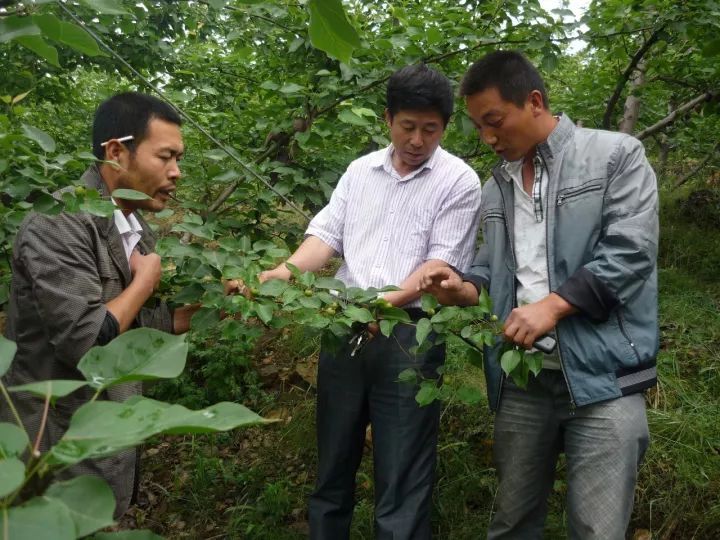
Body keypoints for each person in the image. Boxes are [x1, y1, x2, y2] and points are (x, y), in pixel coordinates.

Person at [419, 51, 658, 539]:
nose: (487, 138)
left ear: (533, 102)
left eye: (495, 121)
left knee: (597, 529)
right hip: (523, 381)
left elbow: (630, 253)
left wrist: (551, 306)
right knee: (511, 523)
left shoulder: (615, 155)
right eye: (478, 127)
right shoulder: (497, 186)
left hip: (604, 378)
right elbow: (491, 264)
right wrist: (463, 288)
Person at [260, 64, 482, 539]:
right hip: (344, 328)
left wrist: (382, 307)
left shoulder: (460, 181)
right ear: (387, 119)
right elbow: (325, 235)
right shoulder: (361, 171)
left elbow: (437, 269)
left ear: (444, 126)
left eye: (430, 129)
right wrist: (284, 274)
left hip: (409, 337)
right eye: (408, 127)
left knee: (402, 472)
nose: (418, 140)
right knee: (333, 460)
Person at [1, 92, 236, 517]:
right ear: (116, 152)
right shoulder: (57, 222)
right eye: (165, 156)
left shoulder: (133, 226)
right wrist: (145, 282)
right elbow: (88, 342)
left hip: (109, 446)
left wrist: (220, 307)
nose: (176, 172)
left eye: (178, 158)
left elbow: (136, 325)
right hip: (56, 454)